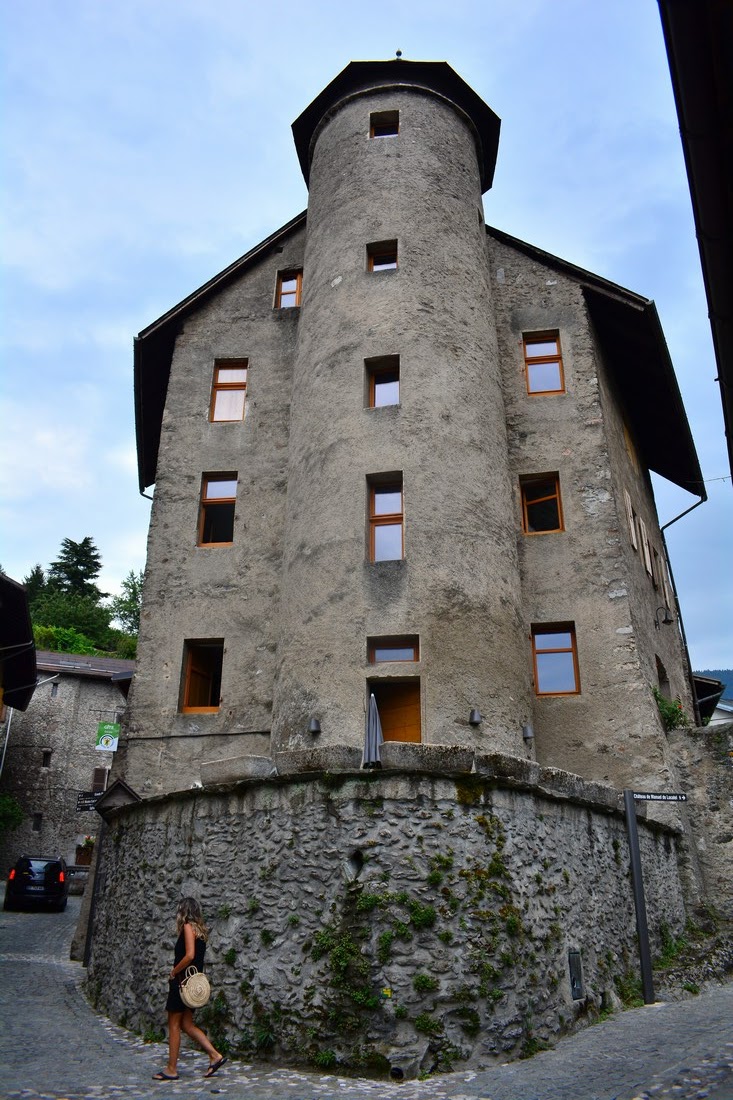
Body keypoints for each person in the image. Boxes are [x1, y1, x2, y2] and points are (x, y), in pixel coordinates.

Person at [152, 897, 226, 1081]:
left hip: (182, 983)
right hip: (192, 985)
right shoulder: (200, 931)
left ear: (183, 912)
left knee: (174, 1025)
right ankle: (215, 1055)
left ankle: (171, 1069)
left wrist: (173, 971)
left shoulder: (187, 927)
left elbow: (189, 955)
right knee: (187, 1024)